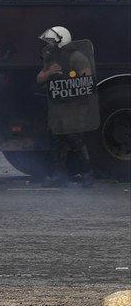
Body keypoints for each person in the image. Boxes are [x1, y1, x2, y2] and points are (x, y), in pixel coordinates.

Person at [36, 26, 95, 187]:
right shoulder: (52, 59)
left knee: (74, 138)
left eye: (53, 41)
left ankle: (87, 173)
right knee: (55, 140)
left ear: (62, 40)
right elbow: (39, 78)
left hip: (73, 105)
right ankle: (58, 176)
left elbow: (86, 78)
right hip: (56, 105)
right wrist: (49, 73)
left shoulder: (77, 57)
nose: (50, 44)